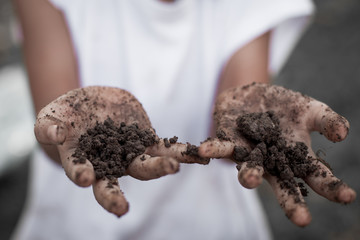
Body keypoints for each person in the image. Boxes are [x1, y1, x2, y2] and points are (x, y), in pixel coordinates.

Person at [11, 0, 356, 239]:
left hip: (208, 223)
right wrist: (71, 130)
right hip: (76, 225)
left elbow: (230, 125)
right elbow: (55, 129)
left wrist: (244, 128)